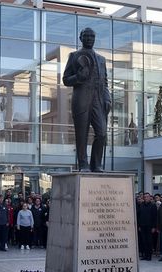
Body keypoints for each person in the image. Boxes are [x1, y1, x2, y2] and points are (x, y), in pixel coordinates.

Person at [62, 27, 111, 172]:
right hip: (81, 99)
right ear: (81, 38)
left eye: (92, 36)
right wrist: (78, 77)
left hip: (99, 100)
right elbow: (66, 80)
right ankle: (83, 164)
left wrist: (107, 98)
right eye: (86, 36)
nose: (89, 38)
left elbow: (105, 81)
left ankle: (96, 165)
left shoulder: (102, 60)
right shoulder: (74, 56)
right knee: (81, 134)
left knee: (101, 133)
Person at [137, 193, 157, 261]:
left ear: (150, 197)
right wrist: (139, 225)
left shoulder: (153, 205)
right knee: (144, 241)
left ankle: (149, 256)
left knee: (149, 241)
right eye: (144, 197)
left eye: (147, 197)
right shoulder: (141, 205)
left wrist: (154, 227)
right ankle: (145, 255)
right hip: (142, 226)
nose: (146, 198)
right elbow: (139, 216)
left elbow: (155, 217)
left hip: (150, 226)